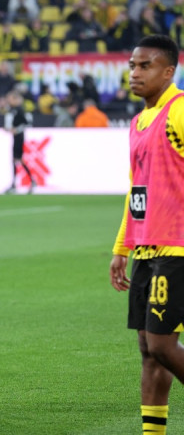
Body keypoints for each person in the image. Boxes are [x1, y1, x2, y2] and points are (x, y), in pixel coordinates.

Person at [109, 34, 184, 435]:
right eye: (132, 66)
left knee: (161, 345)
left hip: (177, 247)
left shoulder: (179, 111)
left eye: (145, 66)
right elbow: (136, 189)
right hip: (146, 248)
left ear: (168, 71)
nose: (135, 73)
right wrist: (123, 247)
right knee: (147, 350)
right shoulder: (139, 122)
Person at [3, 90, 35, 194]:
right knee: (17, 160)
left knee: (17, 159)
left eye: (11, 98)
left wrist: (16, 129)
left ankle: (18, 184)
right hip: (16, 136)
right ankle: (24, 182)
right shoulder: (13, 110)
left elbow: (26, 123)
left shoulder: (19, 110)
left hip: (19, 137)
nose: (9, 100)